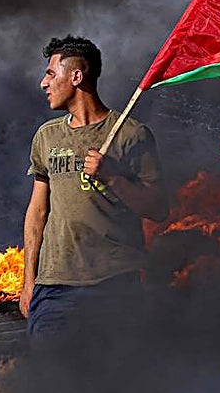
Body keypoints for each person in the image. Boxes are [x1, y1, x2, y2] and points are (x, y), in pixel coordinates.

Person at [20, 35, 167, 338]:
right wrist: (29, 282)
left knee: (114, 383)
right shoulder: (46, 137)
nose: (43, 83)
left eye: (50, 73)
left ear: (76, 76)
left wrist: (114, 177)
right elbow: (37, 211)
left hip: (116, 285)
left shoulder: (130, 134)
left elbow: (158, 209)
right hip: (54, 288)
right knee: (53, 379)